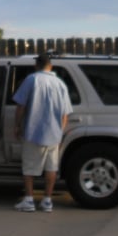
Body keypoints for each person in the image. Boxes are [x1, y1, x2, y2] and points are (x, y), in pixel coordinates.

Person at [12, 52, 74, 212]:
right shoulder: (60, 84)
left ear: (36, 65)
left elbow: (21, 106)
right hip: (54, 134)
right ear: (50, 65)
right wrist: (60, 132)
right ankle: (47, 200)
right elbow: (65, 114)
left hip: (33, 132)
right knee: (51, 168)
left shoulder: (31, 80)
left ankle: (29, 200)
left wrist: (17, 125)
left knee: (29, 168)